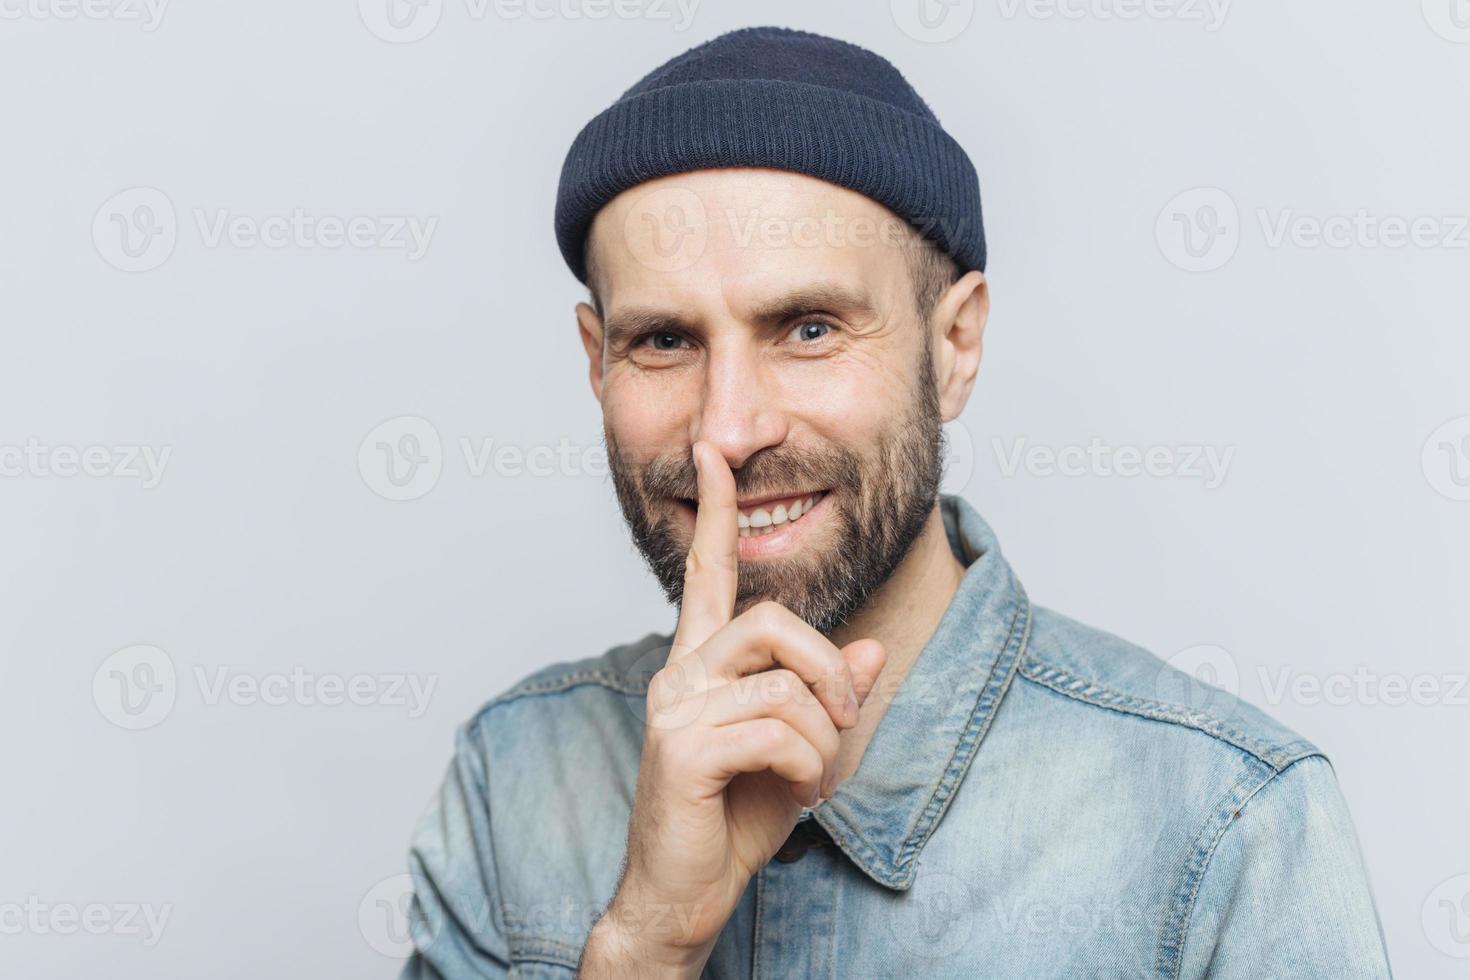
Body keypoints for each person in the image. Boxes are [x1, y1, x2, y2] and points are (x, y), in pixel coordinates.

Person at [398, 26, 1392, 979]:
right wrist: (645, 949)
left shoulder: (1228, 823)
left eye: (811, 327)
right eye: (664, 340)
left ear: (954, 345)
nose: (730, 428)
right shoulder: (513, 778)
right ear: (594, 359)